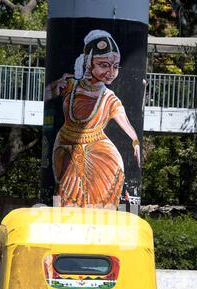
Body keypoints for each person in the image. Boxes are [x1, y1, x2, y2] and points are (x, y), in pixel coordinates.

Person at [45, 29, 140, 208]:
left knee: (111, 178)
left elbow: (126, 124)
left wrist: (135, 142)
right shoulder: (70, 85)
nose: (111, 72)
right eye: (104, 65)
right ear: (88, 62)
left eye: (115, 66)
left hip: (99, 147)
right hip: (67, 145)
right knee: (67, 193)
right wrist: (54, 87)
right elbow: (45, 95)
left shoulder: (109, 98)